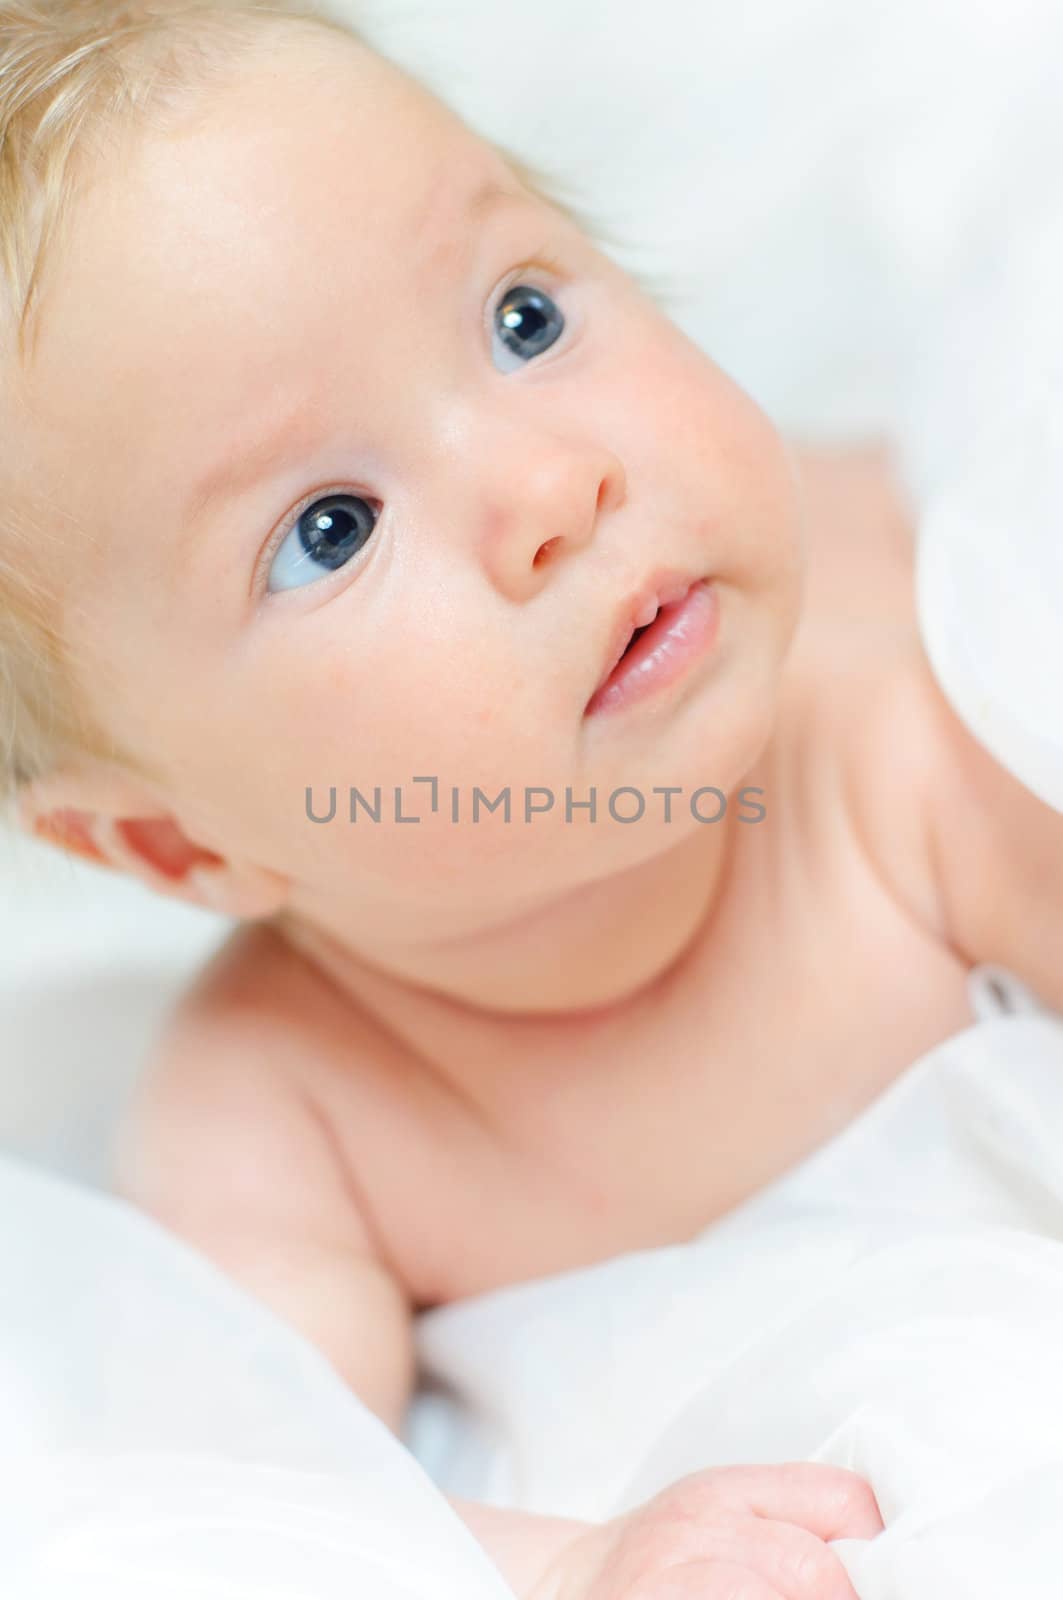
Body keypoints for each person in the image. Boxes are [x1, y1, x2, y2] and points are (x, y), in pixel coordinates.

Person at [8, 0, 1060, 1592]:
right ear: (174, 843)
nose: (555, 488)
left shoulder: (913, 758)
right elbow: (267, 1517)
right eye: (333, 529)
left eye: (522, 320)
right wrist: (581, 1566)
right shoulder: (285, 1115)